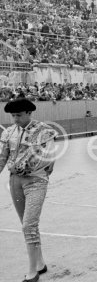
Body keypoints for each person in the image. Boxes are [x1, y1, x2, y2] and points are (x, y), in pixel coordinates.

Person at [0, 98, 58, 282]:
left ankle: (32, 273)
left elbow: (49, 156)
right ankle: (40, 264)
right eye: (13, 115)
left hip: (36, 181)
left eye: (18, 115)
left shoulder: (44, 131)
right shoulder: (10, 132)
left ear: (29, 113)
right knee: (28, 226)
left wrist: (34, 167)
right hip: (15, 182)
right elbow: (3, 157)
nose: (15, 119)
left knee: (28, 225)